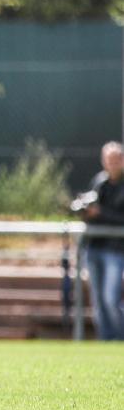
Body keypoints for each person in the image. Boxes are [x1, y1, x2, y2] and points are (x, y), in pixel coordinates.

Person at [80, 141, 124, 340]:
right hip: (94, 247)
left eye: (116, 159)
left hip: (115, 249)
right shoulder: (99, 182)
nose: (112, 164)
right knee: (98, 301)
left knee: (110, 298)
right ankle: (105, 340)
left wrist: (100, 213)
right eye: (109, 160)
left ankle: (119, 337)